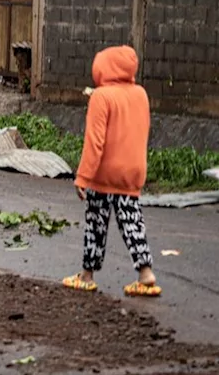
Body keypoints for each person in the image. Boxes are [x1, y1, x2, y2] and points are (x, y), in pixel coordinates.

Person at [62, 45, 161, 297]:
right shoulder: (141, 94)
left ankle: (87, 275)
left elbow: (95, 142)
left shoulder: (101, 97)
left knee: (96, 223)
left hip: (104, 174)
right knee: (132, 221)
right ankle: (145, 273)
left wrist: (83, 176)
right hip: (133, 171)